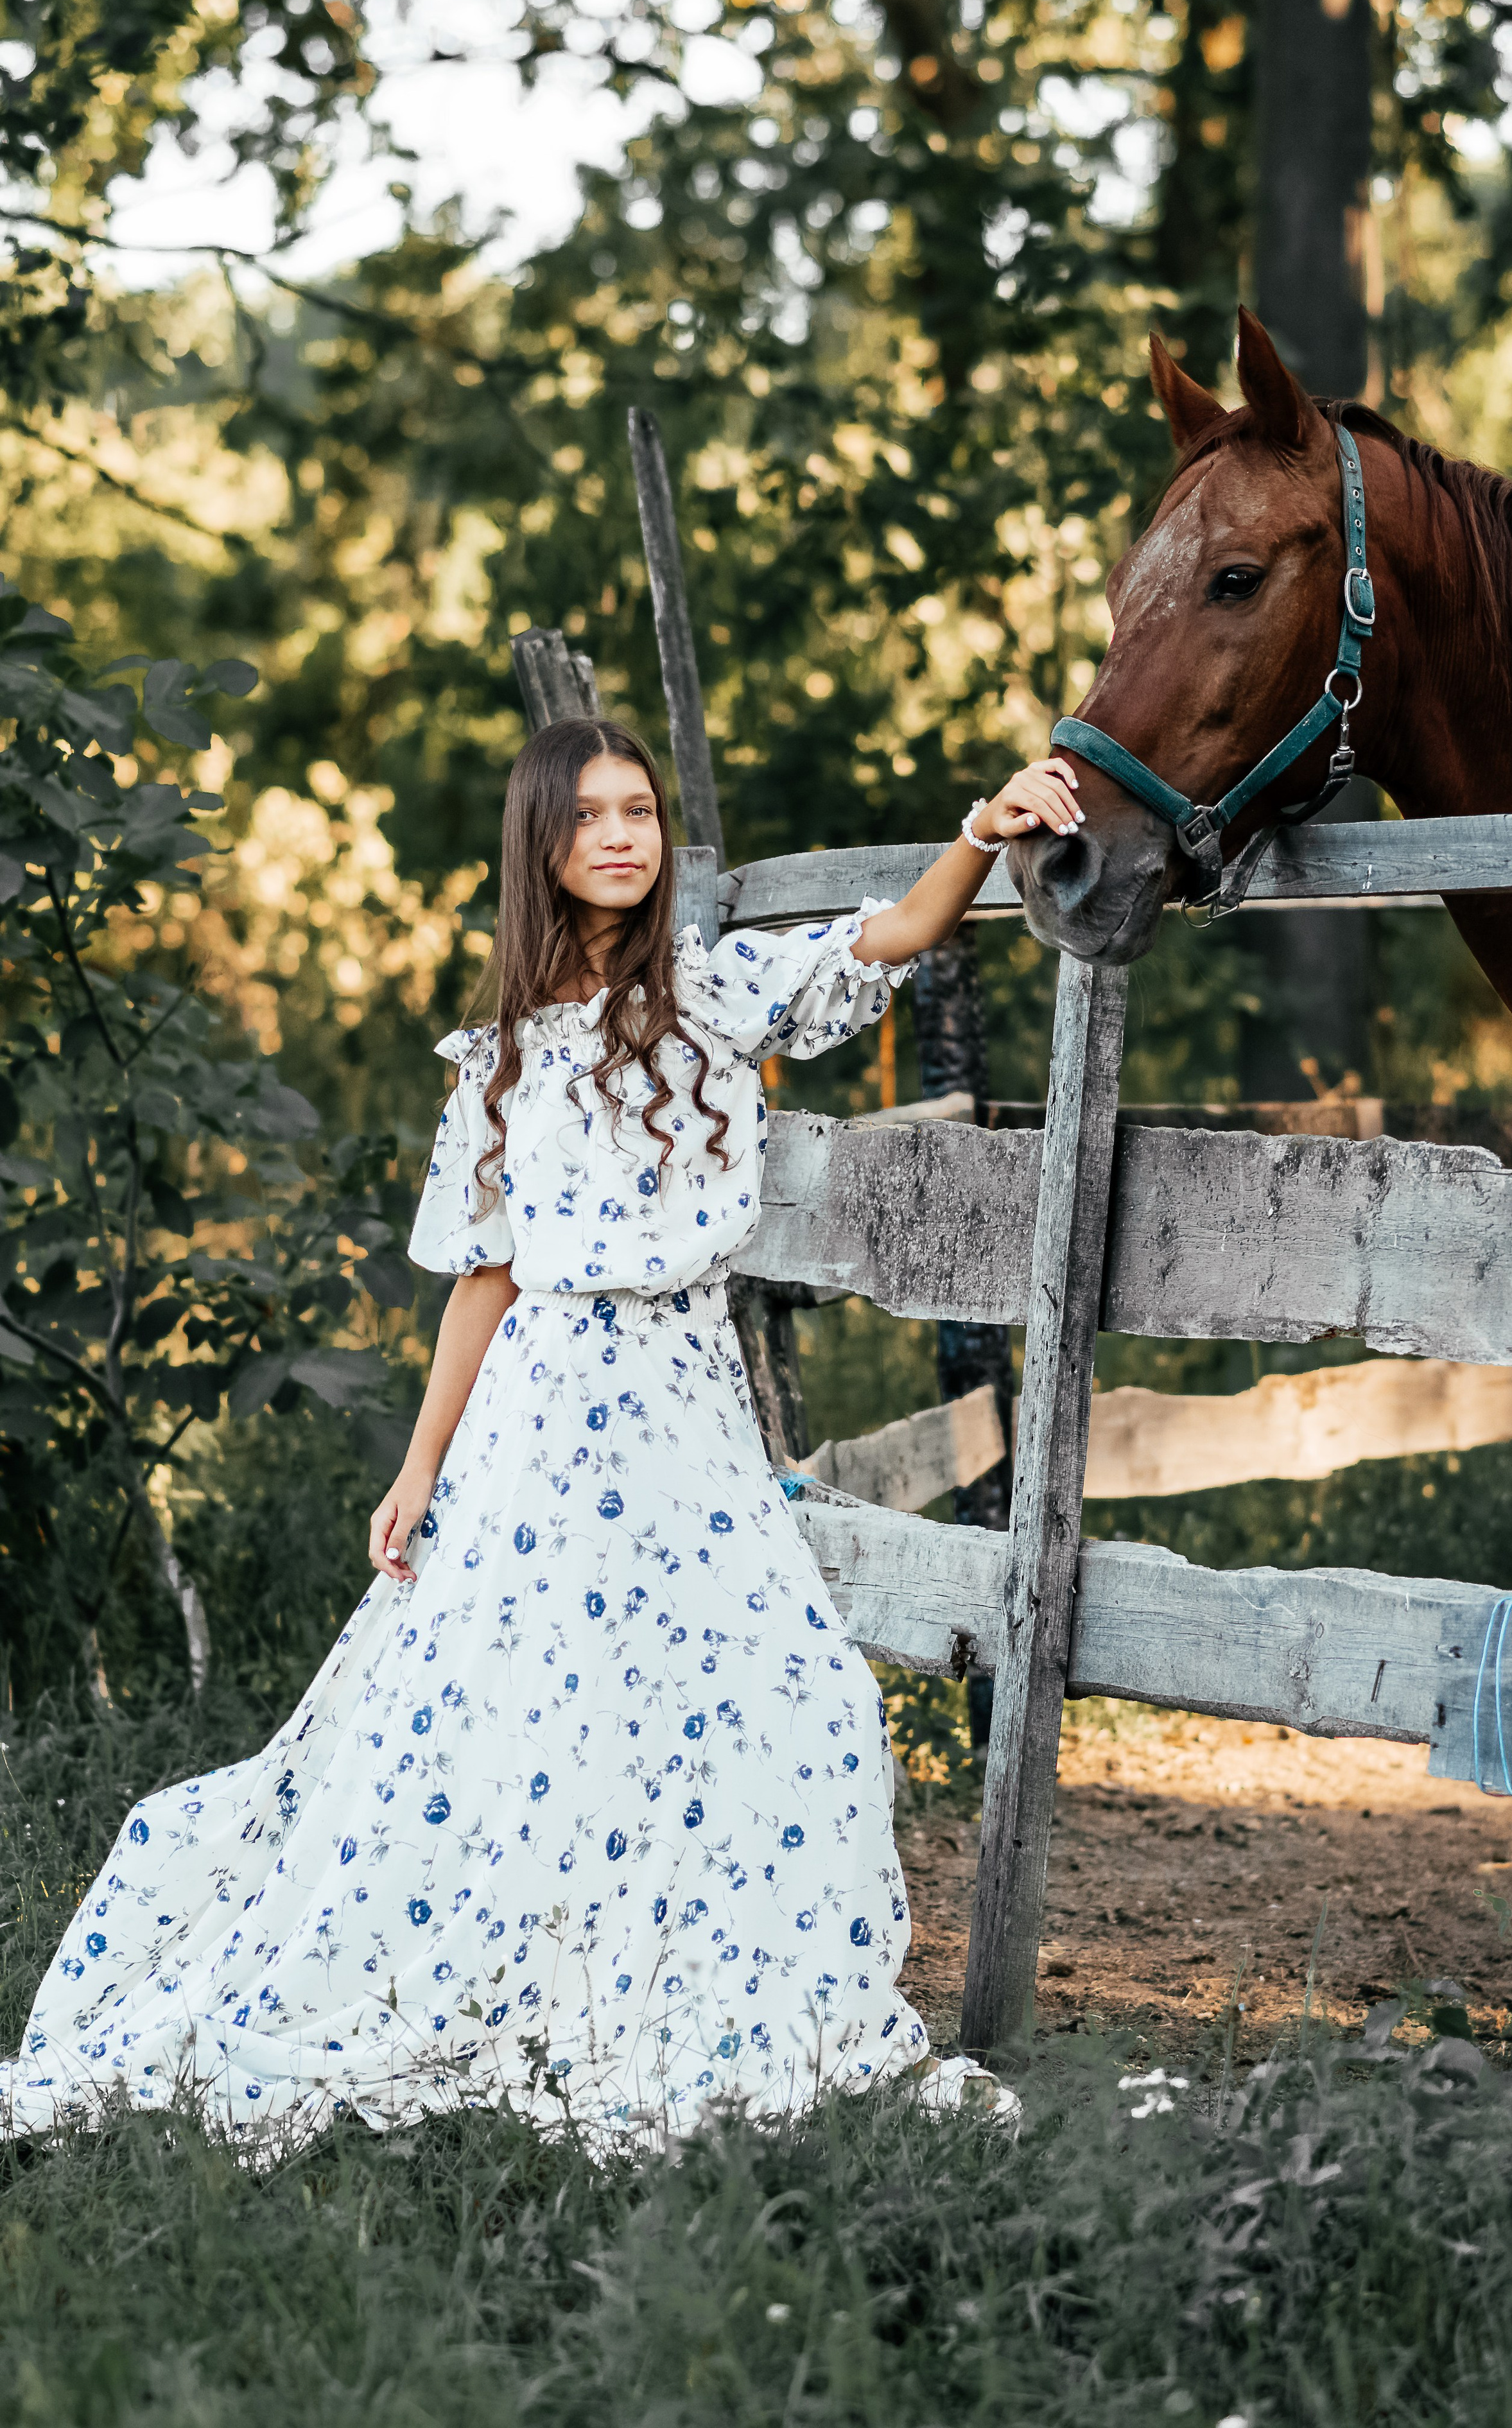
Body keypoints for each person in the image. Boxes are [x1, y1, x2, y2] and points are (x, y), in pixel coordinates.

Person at [0, 721, 1084, 2152]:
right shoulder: (502, 1056)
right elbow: (484, 1279)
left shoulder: (707, 987)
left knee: (795, 1691)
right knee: (530, 1715)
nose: (623, 836)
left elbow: (881, 941)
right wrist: (417, 1467)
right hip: (545, 1415)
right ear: (543, 847)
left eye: (639, 811)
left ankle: (727, 1985)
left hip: (686, 1403)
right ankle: (525, 1975)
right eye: (590, 819)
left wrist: (983, 829)